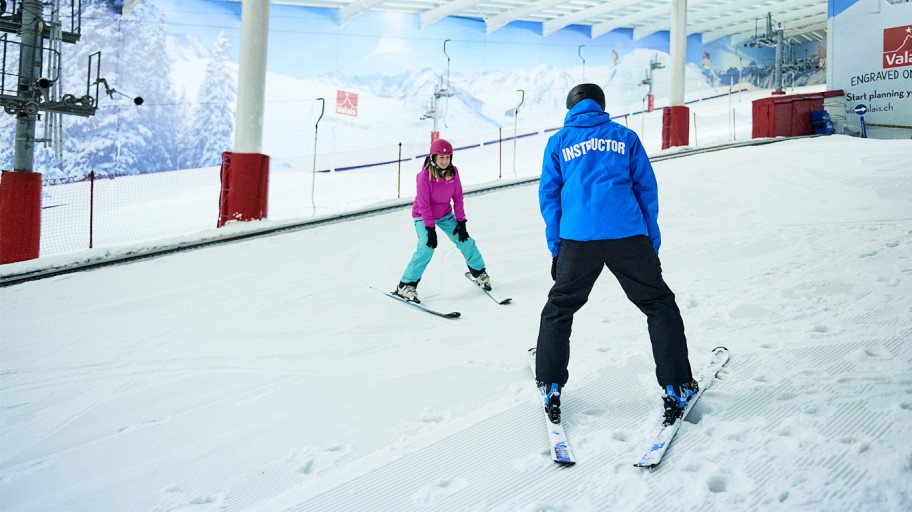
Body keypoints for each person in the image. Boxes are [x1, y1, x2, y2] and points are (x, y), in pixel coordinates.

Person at [534, 83, 697, 426]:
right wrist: (650, 241)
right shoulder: (624, 137)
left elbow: (550, 200)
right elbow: (645, 190)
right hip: (627, 234)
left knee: (560, 307)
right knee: (658, 305)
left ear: (571, 107)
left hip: (578, 238)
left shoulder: (559, 142)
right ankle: (677, 385)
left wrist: (557, 249)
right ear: (601, 105)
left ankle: (549, 384)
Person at [394, 138, 491, 303]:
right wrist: (430, 229)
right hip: (423, 215)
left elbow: (458, 198)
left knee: (465, 240)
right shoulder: (424, 176)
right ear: (433, 157)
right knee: (426, 247)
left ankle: (478, 272)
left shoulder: (453, 172)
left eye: (448, 158)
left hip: (445, 214)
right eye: (441, 158)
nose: (445, 161)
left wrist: (461, 223)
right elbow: (424, 205)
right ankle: (406, 285)